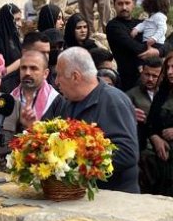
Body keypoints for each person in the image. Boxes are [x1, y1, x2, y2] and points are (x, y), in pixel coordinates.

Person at [44, 47, 139, 193]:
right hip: (80, 195)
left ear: (75, 76)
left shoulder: (113, 101)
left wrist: (77, 160)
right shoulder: (68, 104)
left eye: (59, 75)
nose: (56, 82)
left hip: (114, 199)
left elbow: (127, 153)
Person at [107, 0, 162, 92]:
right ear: (114, 4)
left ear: (133, 3)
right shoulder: (113, 26)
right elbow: (135, 47)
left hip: (151, 79)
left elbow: (161, 45)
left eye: (127, 3)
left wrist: (158, 50)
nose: (124, 7)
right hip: (129, 83)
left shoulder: (141, 24)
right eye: (120, 3)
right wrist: (155, 50)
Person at [139, 55, 171, 195]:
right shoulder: (163, 94)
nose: (170, 72)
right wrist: (155, 138)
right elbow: (151, 123)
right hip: (162, 159)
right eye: (168, 68)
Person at [12, 49, 59, 121]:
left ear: (45, 73)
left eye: (33, 68)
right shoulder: (10, 97)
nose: (27, 73)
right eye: (23, 68)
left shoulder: (57, 102)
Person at [127, 56, 162, 153]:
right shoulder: (130, 96)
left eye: (155, 76)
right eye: (147, 74)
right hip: (144, 149)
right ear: (141, 72)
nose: (150, 79)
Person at [0, 4, 24, 76]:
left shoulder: (15, 41)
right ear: (8, 20)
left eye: (20, 20)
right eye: (17, 19)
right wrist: (18, 63)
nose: (20, 24)